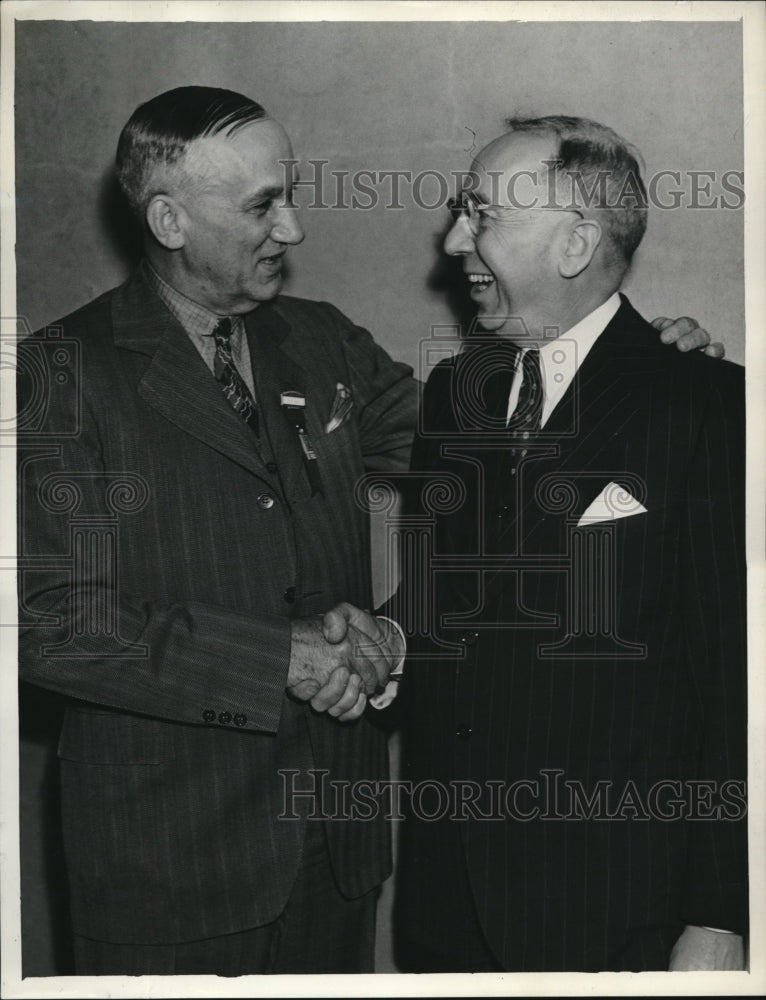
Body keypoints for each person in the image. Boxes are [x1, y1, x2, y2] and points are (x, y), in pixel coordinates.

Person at [16, 88, 720, 976]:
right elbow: (47, 622)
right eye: (264, 205)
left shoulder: (323, 343)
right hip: (170, 862)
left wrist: (632, 363)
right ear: (169, 218)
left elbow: (500, 453)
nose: (296, 230)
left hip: (340, 856)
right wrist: (280, 657)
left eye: (294, 194)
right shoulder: (56, 374)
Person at [378, 116, 747, 973]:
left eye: (481, 215)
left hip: (620, 909)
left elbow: (734, 683)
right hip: (448, 908)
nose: (452, 240)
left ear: (576, 244)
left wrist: (721, 914)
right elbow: (443, 604)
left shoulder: (705, 407)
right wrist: (385, 643)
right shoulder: (454, 394)